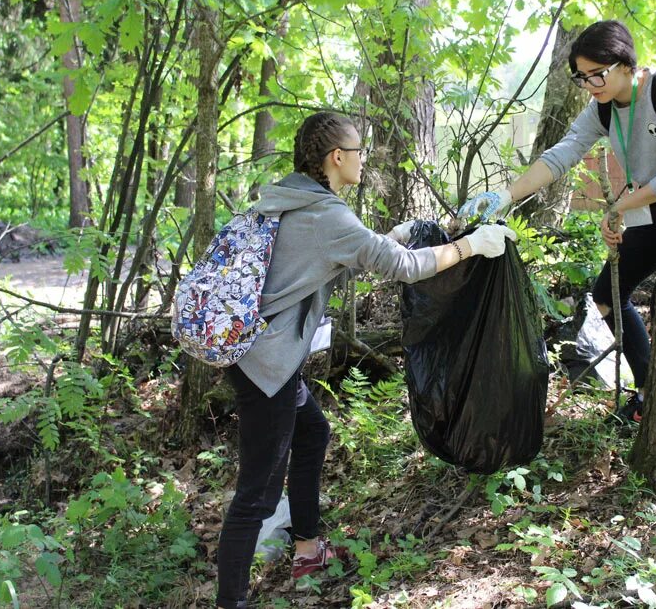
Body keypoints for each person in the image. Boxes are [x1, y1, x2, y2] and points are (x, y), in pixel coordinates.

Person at [217, 111, 517, 609]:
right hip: (265, 364)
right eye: (358, 151)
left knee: (313, 432)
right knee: (257, 495)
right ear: (337, 158)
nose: (363, 158)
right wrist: (470, 246)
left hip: (263, 353)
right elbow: (407, 270)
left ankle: (308, 547)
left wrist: (387, 239)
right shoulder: (327, 215)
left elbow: (328, 254)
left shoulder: (289, 198)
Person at [459, 19, 656, 425]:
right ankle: (650, 394)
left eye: (597, 74)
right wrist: (506, 196)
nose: (590, 84)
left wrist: (617, 209)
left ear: (624, 64)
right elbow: (561, 154)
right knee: (607, 296)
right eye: (582, 78)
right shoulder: (602, 109)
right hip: (650, 207)